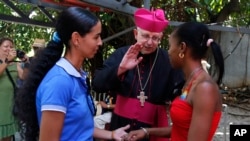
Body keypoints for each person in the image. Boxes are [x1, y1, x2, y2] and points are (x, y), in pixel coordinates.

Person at [14, 7, 129, 141]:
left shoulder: (78, 75)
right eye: (96, 37)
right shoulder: (59, 82)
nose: (100, 42)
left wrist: (112, 134)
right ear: (76, 39)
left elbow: (80, 126)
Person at [92, 8, 184, 141]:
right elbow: (97, 84)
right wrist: (121, 69)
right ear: (136, 34)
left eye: (155, 38)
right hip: (121, 125)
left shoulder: (168, 60)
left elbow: (180, 90)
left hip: (154, 127)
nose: (149, 42)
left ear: (161, 38)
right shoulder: (121, 54)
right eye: (145, 36)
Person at [125, 22, 224, 141]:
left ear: (182, 47)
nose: (169, 51)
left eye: (170, 46)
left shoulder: (204, 88)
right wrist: (146, 131)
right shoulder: (191, 82)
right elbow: (182, 129)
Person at [0, 37, 19, 141]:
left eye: (11, 47)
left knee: (7, 137)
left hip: (8, 108)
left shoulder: (15, 64)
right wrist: (7, 61)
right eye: (5, 46)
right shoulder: (7, 62)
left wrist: (26, 61)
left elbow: (25, 77)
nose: (8, 49)